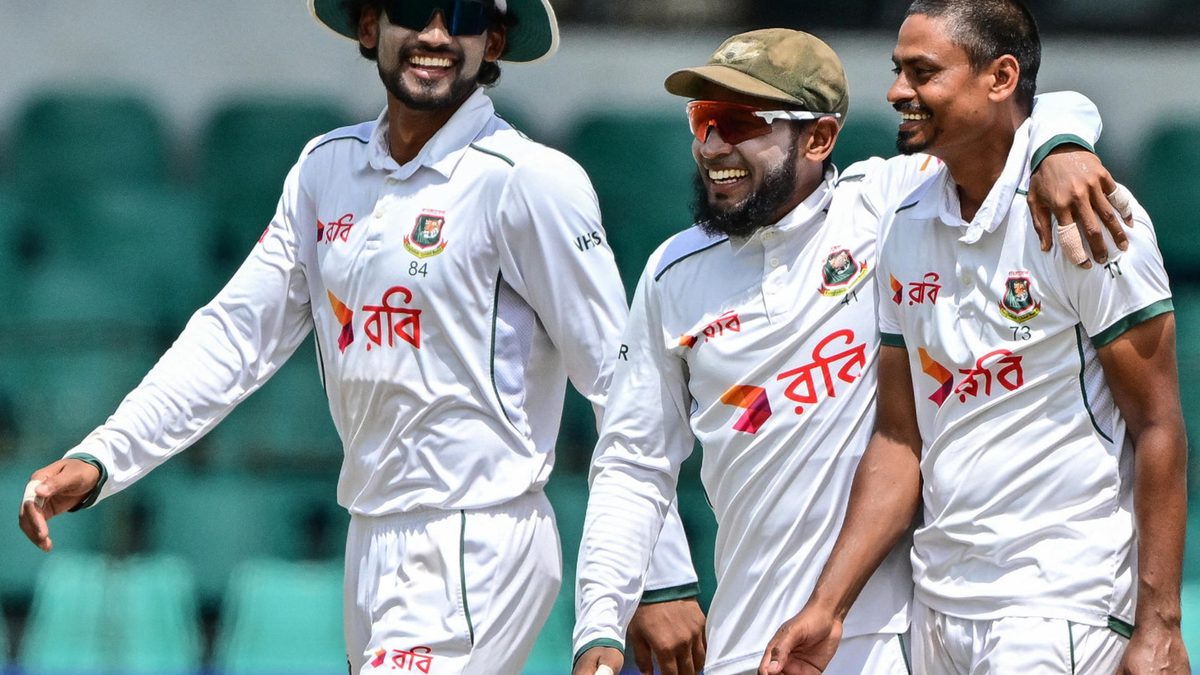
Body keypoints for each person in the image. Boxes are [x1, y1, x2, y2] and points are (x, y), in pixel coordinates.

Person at [14, 1, 698, 672]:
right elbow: (234, 337)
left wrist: (658, 573)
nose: (435, 33)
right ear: (370, 25)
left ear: (493, 41)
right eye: (413, 8)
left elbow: (620, 376)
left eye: (462, 15)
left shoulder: (530, 182)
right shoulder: (324, 171)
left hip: (476, 535)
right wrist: (106, 455)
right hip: (371, 536)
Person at [572, 26, 1131, 675]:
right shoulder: (674, 270)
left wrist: (1060, 143)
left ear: (819, 138)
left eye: (738, 121)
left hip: (888, 638)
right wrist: (599, 622)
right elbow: (633, 465)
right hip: (747, 643)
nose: (712, 144)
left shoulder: (892, 206)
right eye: (703, 120)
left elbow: (1023, 115)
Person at [761, 2, 1190, 674]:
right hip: (940, 607)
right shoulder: (904, 224)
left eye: (923, 72)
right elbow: (902, 436)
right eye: (898, 70)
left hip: (1059, 602)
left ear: (1000, 78)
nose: (897, 91)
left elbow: (1159, 423)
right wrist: (829, 603)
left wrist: (1160, 623)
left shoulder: (1092, 215)